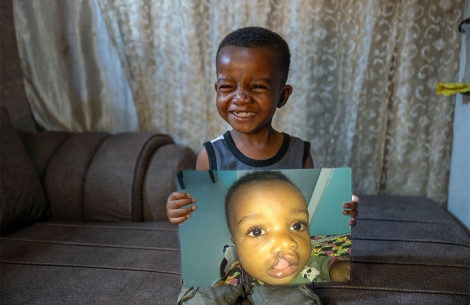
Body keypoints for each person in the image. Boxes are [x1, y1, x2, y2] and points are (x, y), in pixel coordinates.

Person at [166, 26, 359, 304]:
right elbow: (201, 215)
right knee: (201, 298)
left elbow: (307, 218)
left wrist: (342, 211)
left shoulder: (298, 153)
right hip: (232, 256)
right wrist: (180, 209)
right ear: (217, 90)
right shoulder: (210, 154)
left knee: (295, 299)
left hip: (281, 260)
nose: (241, 97)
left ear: (282, 95)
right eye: (227, 86)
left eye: (257, 86)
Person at [213, 171, 351, 287]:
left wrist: (334, 267)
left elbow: (319, 260)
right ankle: (231, 256)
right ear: (235, 240)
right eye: (257, 232)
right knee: (231, 265)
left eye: (297, 226)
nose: (286, 242)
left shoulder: (304, 258)